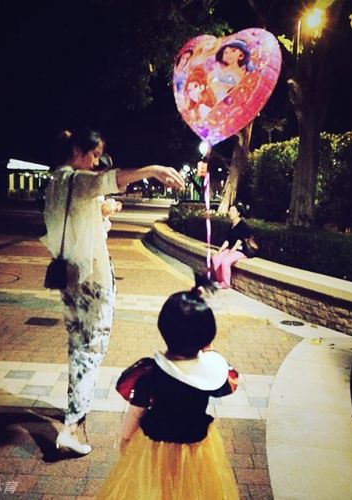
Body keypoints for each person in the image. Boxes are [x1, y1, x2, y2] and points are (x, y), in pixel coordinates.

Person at [41, 127, 184, 456]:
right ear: (77, 152)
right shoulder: (78, 180)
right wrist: (152, 170)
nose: (95, 162)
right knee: (91, 350)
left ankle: (74, 417)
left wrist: (101, 212)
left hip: (68, 278)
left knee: (78, 346)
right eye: (93, 155)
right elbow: (110, 180)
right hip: (92, 280)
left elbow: (74, 221)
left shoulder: (55, 181)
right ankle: (72, 427)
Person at [97, 281, 240, 499]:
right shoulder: (210, 374)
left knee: (155, 489)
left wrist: (126, 438)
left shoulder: (149, 373)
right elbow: (227, 381)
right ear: (208, 337)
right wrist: (209, 352)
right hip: (195, 448)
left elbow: (136, 413)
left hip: (155, 447)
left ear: (164, 328)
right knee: (192, 490)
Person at [212, 204, 258, 289]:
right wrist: (220, 251)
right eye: (230, 211)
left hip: (241, 251)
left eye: (233, 211)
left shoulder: (242, 225)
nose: (230, 213)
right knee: (215, 258)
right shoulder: (231, 226)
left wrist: (231, 252)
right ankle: (220, 280)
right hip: (231, 249)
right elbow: (227, 240)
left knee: (225, 261)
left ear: (238, 213)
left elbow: (239, 241)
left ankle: (226, 283)